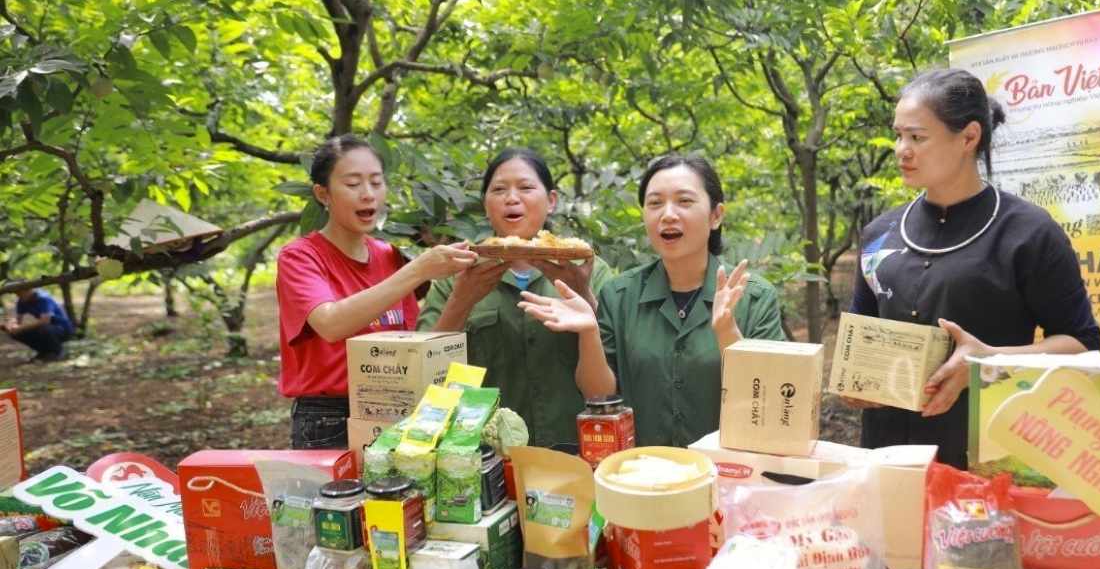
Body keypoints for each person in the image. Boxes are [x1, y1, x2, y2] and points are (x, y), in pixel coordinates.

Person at [846, 68, 1100, 468]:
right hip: (884, 459)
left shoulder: (1029, 233)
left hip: (985, 461)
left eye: (917, 137)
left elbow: (1083, 346)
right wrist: (856, 382)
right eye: (899, 135)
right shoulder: (880, 233)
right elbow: (859, 340)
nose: (901, 149)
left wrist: (988, 362)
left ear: (968, 137)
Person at [518, 153, 785, 448]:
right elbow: (598, 397)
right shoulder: (619, 295)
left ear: (716, 215)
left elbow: (771, 406)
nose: (667, 214)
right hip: (642, 475)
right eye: (655, 203)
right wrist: (589, 332)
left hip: (729, 475)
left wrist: (726, 333)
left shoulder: (755, 297)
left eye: (684, 201)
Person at [277, 135, 476, 450]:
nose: (368, 195)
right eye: (353, 184)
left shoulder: (390, 255)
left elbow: (411, 345)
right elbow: (330, 324)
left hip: (397, 409)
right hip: (329, 419)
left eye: (376, 182)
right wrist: (419, 269)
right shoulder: (300, 256)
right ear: (322, 194)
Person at [416, 149, 614, 447]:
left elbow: (616, 366)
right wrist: (461, 301)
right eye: (498, 190)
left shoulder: (589, 269)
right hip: (485, 455)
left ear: (551, 201)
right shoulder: (456, 273)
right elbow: (424, 379)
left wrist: (584, 293)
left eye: (525, 187)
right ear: (485, 205)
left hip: (575, 448)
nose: (511, 198)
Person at [2, 288, 74, 362]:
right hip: (43, 328)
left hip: (62, 329)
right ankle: (43, 351)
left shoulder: (44, 298)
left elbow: (45, 321)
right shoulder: (22, 301)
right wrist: (9, 325)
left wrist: (21, 328)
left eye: (20, 293)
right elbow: (18, 317)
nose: (19, 296)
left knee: (44, 330)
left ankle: (57, 351)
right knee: (16, 333)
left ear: (28, 290)